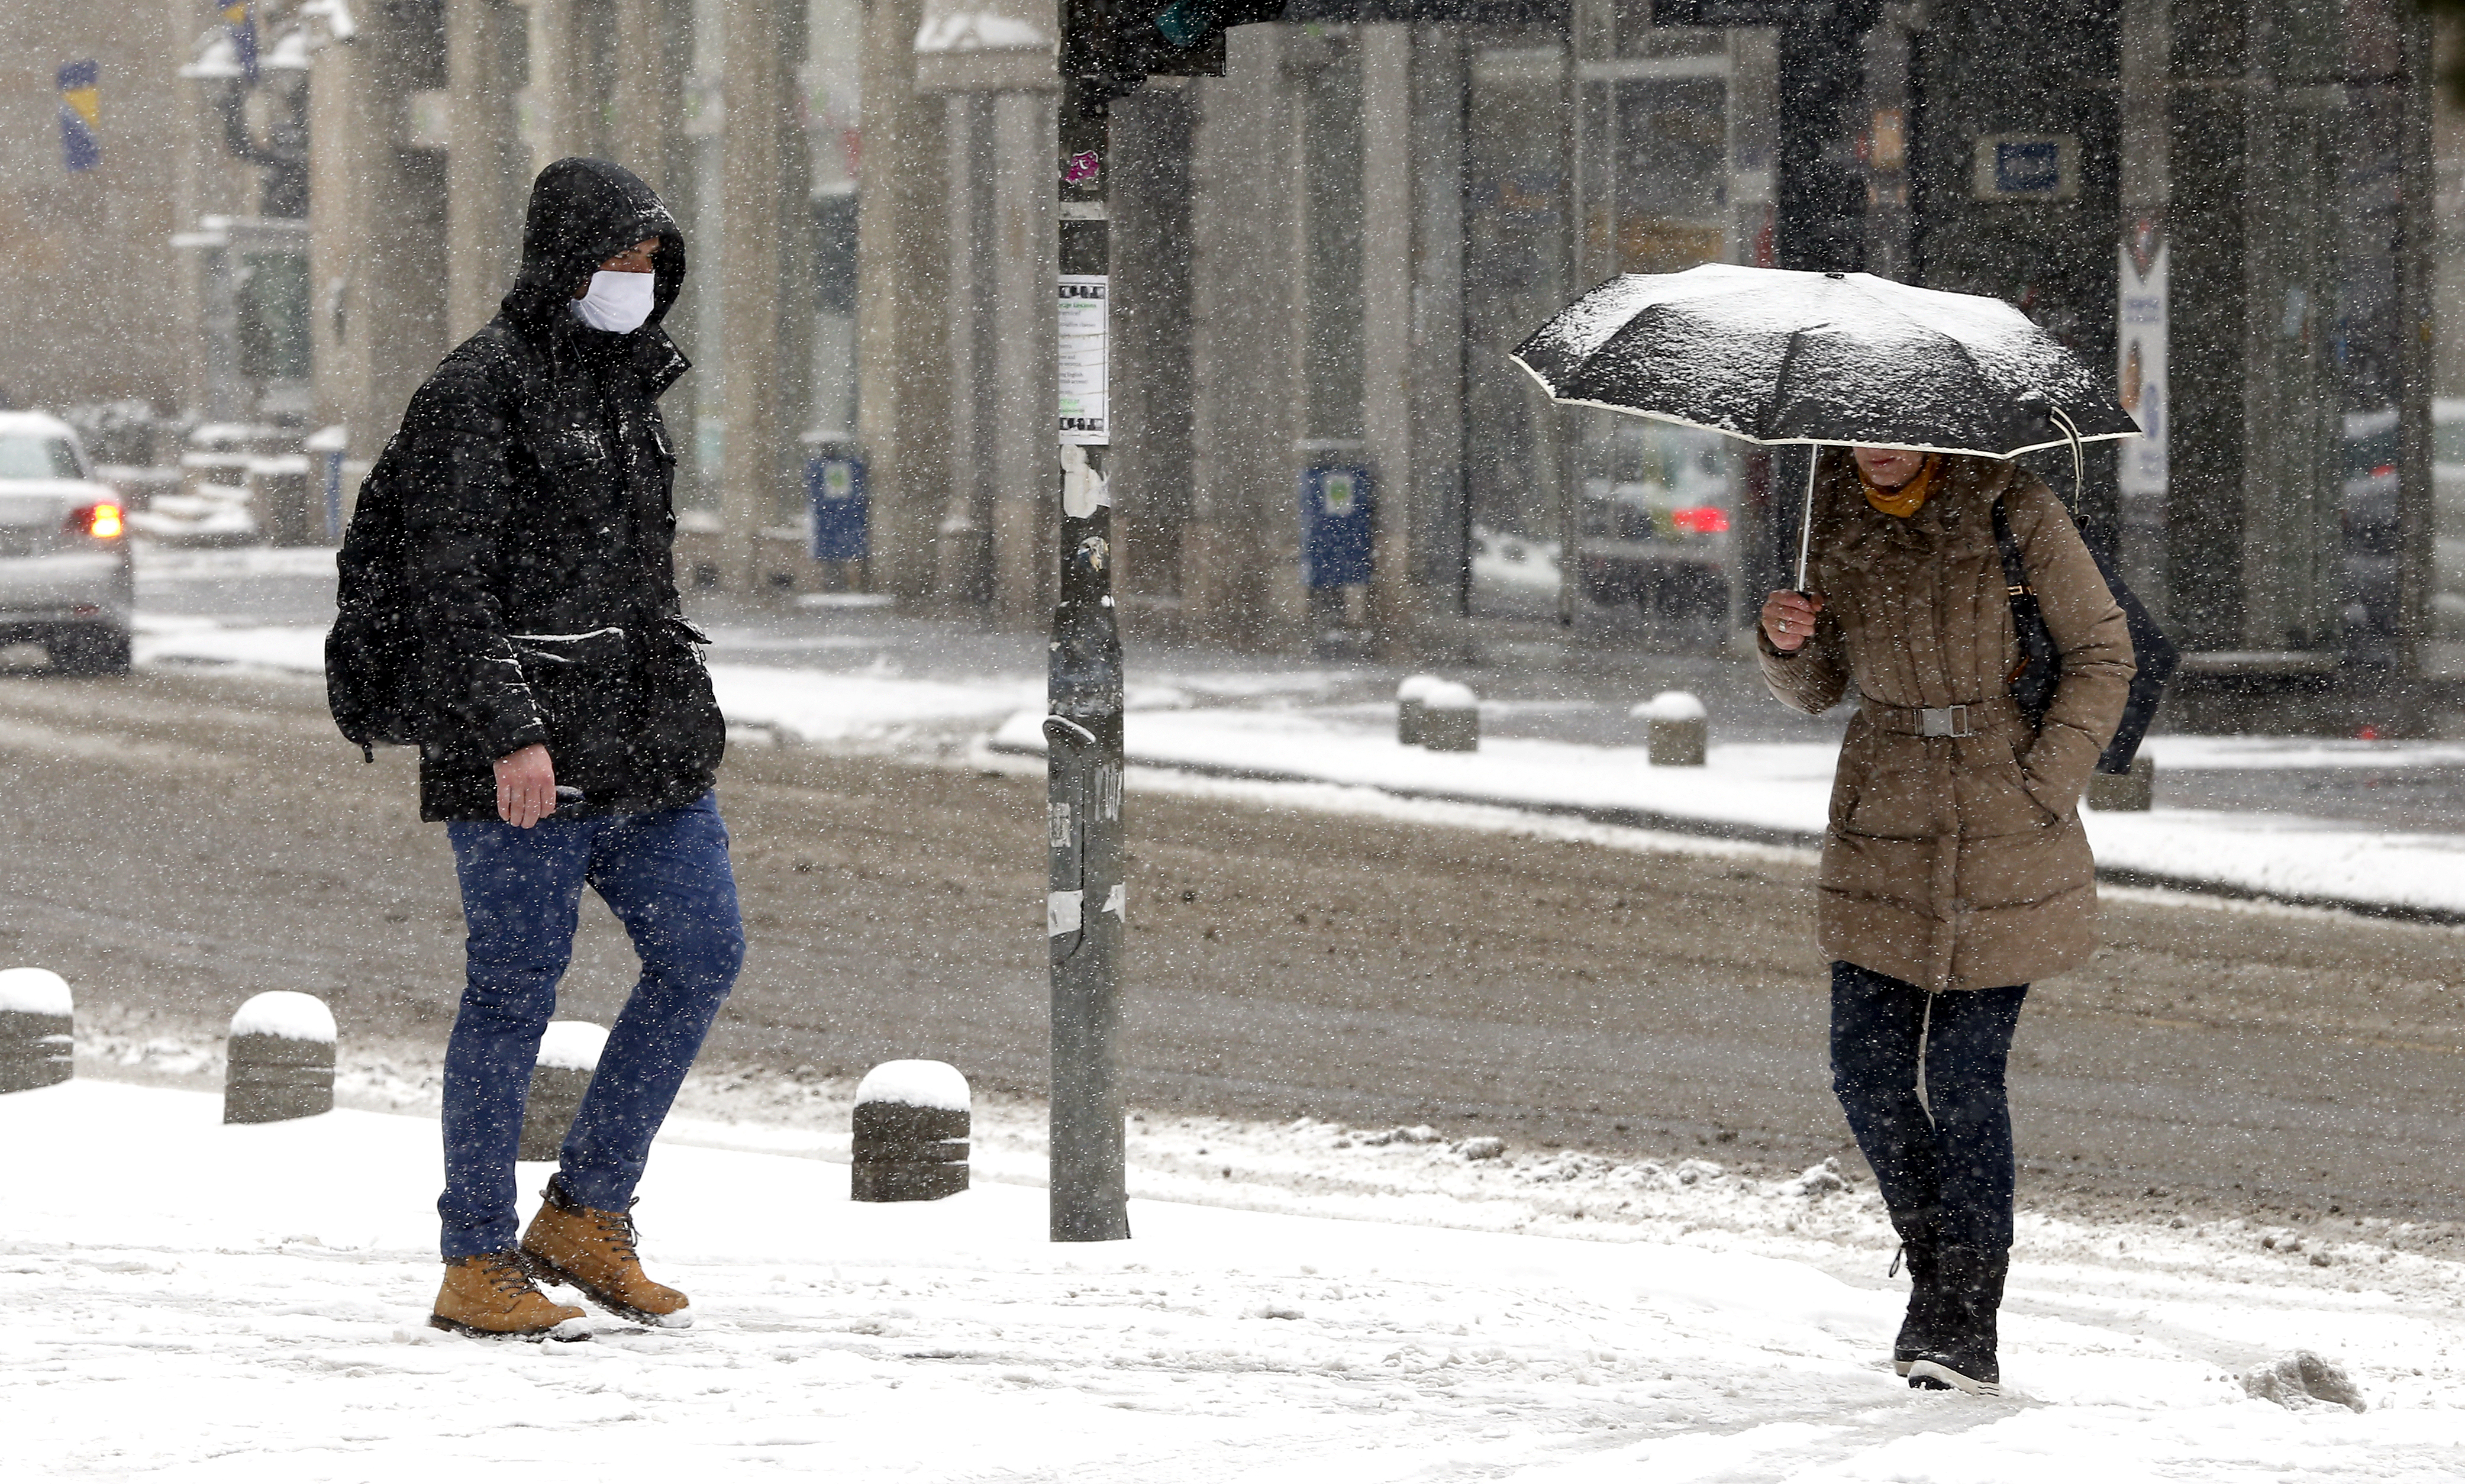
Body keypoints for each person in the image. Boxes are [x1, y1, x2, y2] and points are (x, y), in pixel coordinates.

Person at [364, 159, 739, 1339]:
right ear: (563, 263)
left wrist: (678, 707)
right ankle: (474, 1258)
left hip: (643, 747)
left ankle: (585, 1214)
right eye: (619, 261)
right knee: (513, 991)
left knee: (702, 953)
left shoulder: (629, 390)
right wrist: (510, 734)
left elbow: (637, 579)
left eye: (651, 264)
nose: (638, 283)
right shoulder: (479, 393)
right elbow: (446, 588)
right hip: (522, 753)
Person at [1759, 444, 2132, 1396]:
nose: (1877, 445)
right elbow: (1819, 688)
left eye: (1897, 425)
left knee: (1965, 1083)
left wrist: (2043, 785)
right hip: (1881, 813)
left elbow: (2101, 652)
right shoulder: (1826, 511)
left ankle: (1964, 1323)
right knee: (1864, 1073)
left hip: (2000, 815)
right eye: (1860, 427)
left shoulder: (2012, 502)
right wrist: (1786, 642)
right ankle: (1941, 1284)